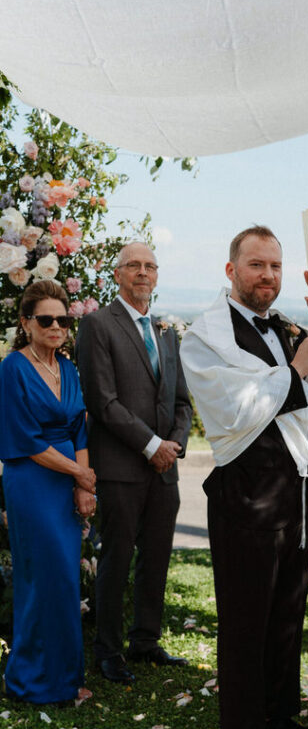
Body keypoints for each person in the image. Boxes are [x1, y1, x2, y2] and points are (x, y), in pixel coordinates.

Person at [180, 225, 308, 729]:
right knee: (246, 620)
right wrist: (298, 366)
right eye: (256, 265)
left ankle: (280, 714)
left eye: (276, 267)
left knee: (285, 613)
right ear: (231, 270)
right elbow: (232, 409)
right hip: (247, 497)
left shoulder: (285, 327)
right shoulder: (205, 336)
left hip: (295, 492)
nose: (268, 276)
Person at [75, 242, 192, 684]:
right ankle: (108, 650)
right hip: (122, 466)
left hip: (166, 469)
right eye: (134, 266)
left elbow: (181, 401)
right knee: (117, 558)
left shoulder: (166, 331)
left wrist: (174, 446)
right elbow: (102, 401)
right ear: (118, 274)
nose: (142, 272)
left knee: (157, 557)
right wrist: (150, 445)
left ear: (157, 276)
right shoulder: (97, 325)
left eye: (150, 266)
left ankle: (145, 641)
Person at [0, 279, 96, 703]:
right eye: (46, 319)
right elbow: (26, 440)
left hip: (68, 480)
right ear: (26, 322)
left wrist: (83, 484)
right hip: (32, 483)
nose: (56, 325)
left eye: (63, 319)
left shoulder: (69, 367)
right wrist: (81, 473)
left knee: (65, 579)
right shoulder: (12, 368)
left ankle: (65, 678)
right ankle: (30, 681)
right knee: (42, 578)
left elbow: (79, 428)